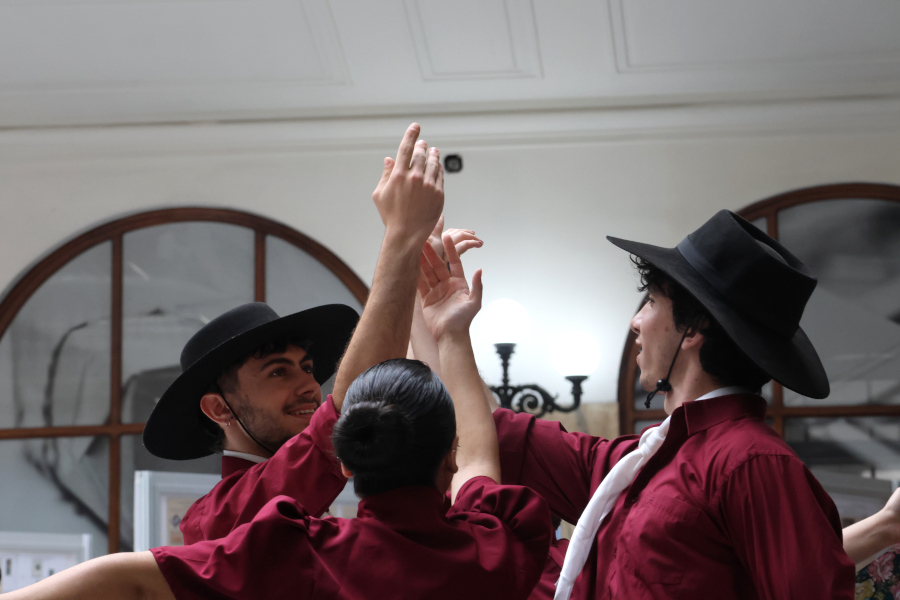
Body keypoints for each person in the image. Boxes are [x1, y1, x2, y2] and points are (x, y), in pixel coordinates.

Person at [2, 136, 551, 600]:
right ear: (219, 407)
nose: (309, 384)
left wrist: (419, 283)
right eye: (276, 372)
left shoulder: (336, 539)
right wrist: (402, 245)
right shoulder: (219, 521)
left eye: (308, 366)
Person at [489, 210, 856, 599]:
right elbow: (495, 432)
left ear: (695, 327)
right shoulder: (642, 460)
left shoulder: (754, 463)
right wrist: (447, 329)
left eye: (650, 301)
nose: (636, 321)